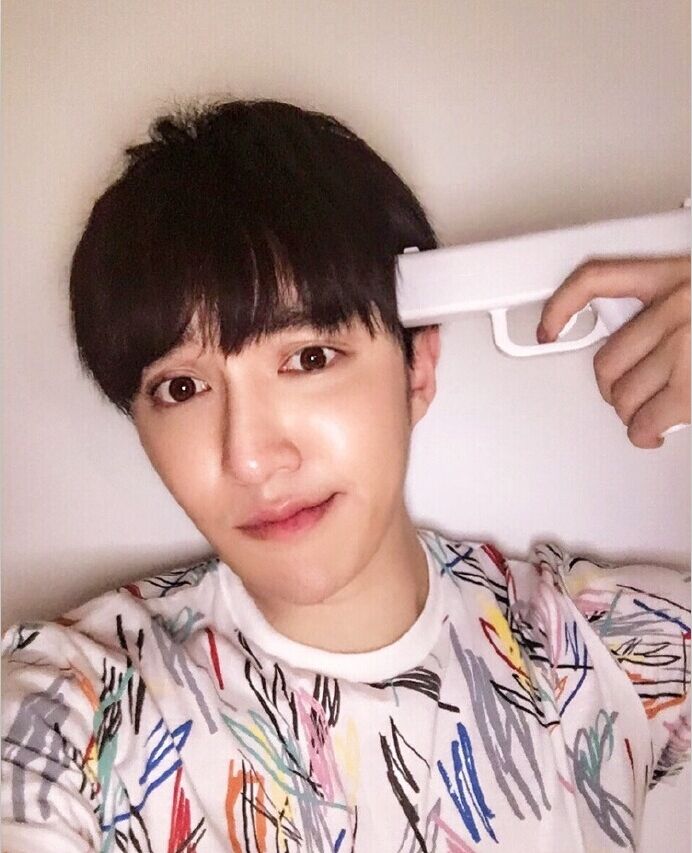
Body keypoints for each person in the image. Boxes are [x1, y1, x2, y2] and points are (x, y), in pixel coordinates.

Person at [2, 98, 689, 853]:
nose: (250, 457)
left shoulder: (599, 650)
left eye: (309, 358)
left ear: (416, 367)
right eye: (182, 387)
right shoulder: (72, 708)